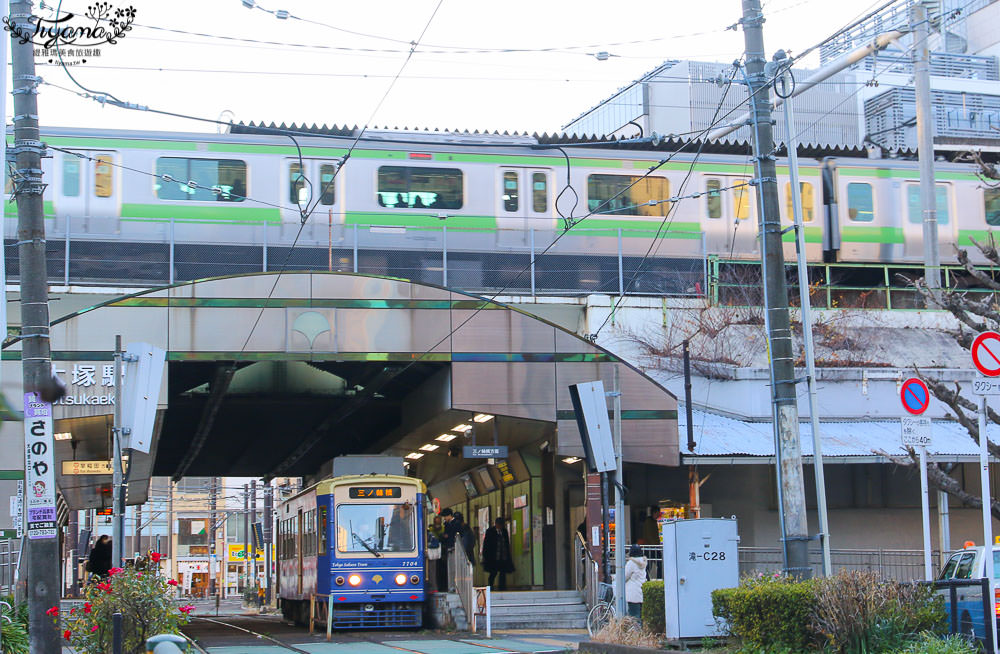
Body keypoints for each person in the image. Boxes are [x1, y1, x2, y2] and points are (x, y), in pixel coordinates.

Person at [481, 517, 514, 591]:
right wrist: (485, 555)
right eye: (498, 524)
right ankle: (491, 586)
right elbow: (486, 544)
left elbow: (506, 543)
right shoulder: (490, 531)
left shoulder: (504, 532)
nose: (500, 526)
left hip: (503, 556)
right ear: (495, 524)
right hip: (493, 556)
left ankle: (502, 587)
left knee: (503, 572)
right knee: (493, 572)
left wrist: (508, 555)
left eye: (501, 525)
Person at [624, 544, 648, 622]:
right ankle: (640, 632)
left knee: (634, 617)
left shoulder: (631, 563)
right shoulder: (643, 562)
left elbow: (624, 576)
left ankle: (636, 634)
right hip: (641, 592)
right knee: (640, 616)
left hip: (633, 594)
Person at [438, 508, 456, 591]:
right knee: (450, 568)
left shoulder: (455, 524)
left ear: (449, 515)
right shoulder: (447, 524)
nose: (444, 518)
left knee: (454, 568)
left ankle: (454, 586)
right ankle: (451, 585)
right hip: (449, 548)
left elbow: (450, 535)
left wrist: (446, 536)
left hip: (454, 548)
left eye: (445, 516)